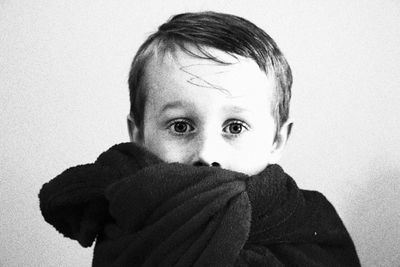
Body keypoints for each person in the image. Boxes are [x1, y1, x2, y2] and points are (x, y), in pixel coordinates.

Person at [39, 11, 361, 266]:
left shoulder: (309, 223)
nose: (207, 154)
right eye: (180, 126)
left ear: (277, 140)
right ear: (137, 134)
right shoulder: (129, 212)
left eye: (234, 127)